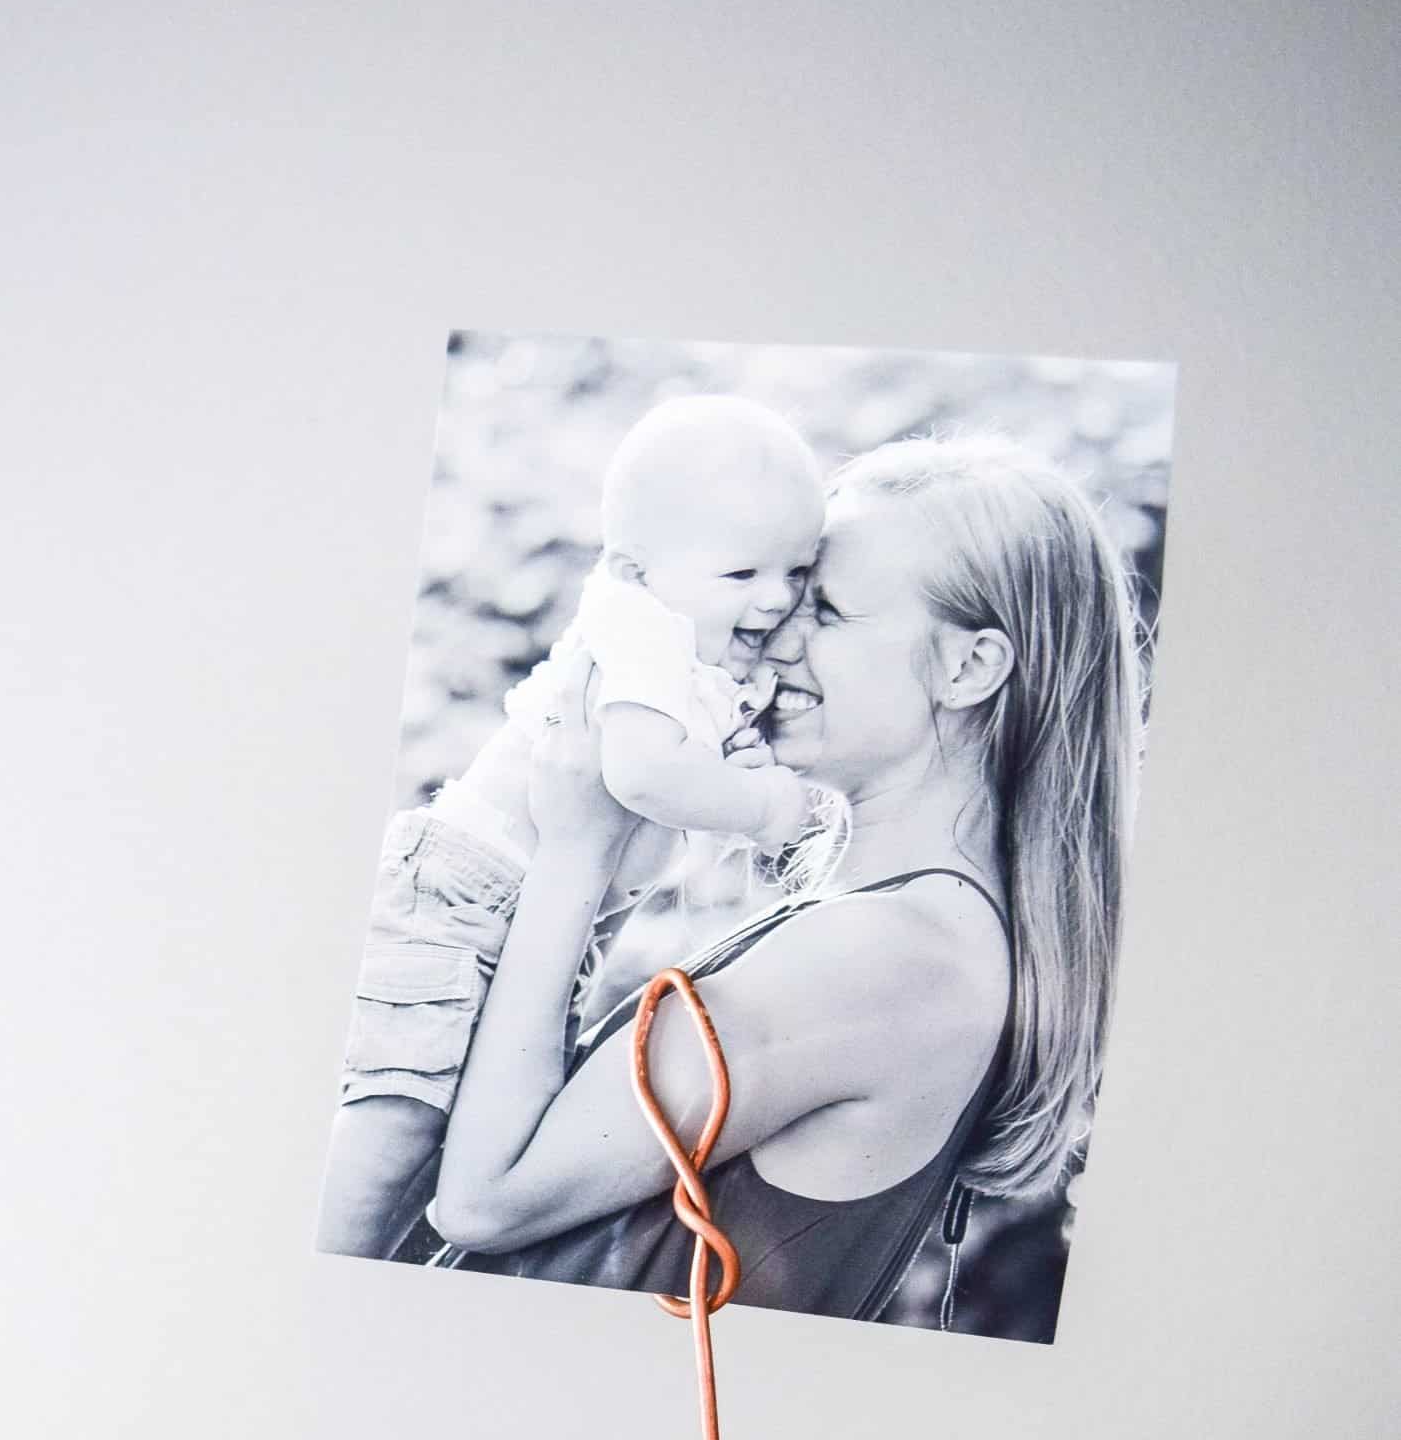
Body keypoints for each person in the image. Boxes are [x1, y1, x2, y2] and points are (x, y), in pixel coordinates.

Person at [427, 433, 1140, 1332]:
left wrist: (576, 849)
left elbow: (484, 1203)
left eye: (827, 611)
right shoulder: (914, 930)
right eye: (781, 588)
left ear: (968, 668)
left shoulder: (890, 953)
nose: (770, 628)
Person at [316, 395, 828, 1259]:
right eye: (742, 577)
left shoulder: (695, 644)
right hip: (461, 893)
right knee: (394, 1127)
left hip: (530, 907)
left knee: (454, 1139)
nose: (775, 600)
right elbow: (640, 772)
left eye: (797, 572)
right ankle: (312, 1272)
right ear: (634, 572)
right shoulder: (642, 633)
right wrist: (771, 809)